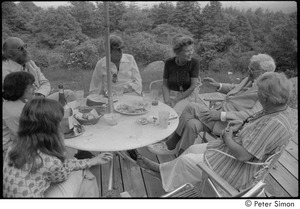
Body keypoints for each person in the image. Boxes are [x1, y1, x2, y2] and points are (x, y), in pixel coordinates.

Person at [127, 72, 297, 193]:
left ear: (266, 98)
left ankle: (163, 175)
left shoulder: (274, 123)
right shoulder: (279, 110)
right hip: (232, 145)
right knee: (192, 149)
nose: (257, 95)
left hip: (238, 168)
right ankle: (162, 169)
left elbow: (243, 156)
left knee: (186, 161)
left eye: (259, 93)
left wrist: (228, 136)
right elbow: (253, 124)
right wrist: (239, 127)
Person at [148, 53, 276, 156]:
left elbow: (252, 115)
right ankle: (182, 155)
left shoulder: (267, 89)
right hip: (216, 118)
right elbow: (236, 88)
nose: (248, 71)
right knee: (192, 124)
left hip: (229, 125)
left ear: (263, 72)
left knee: (192, 106)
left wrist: (221, 115)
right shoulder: (252, 79)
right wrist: (218, 85)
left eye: (252, 69)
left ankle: (170, 144)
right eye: (249, 68)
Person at [3, 98, 113, 197]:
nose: (61, 126)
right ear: (51, 129)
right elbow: (62, 172)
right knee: (86, 175)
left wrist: (91, 161)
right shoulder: (50, 161)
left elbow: (58, 166)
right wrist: (88, 161)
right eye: (59, 123)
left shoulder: (13, 146)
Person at [2, 37, 75, 102]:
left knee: (69, 94)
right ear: (9, 54)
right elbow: (15, 96)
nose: (25, 50)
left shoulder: (30, 63)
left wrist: (40, 95)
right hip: (25, 106)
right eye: (20, 48)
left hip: (40, 99)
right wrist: (34, 100)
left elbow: (45, 82)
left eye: (25, 46)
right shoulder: (5, 71)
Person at [162, 34, 201, 116]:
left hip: (187, 96)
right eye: (187, 51)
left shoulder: (194, 63)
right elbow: (165, 84)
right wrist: (167, 100)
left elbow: (192, 87)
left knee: (175, 115)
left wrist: (175, 100)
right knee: (160, 112)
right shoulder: (169, 63)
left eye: (191, 50)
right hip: (171, 95)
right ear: (178, 52)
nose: (191, 53)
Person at [2, 71, 36, 159]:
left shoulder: (20, 101)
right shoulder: (13, 111)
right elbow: (20, 137)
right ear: (20, 89)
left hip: (24, 143)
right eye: (30, 86)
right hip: (15, 151)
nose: (34, 88)